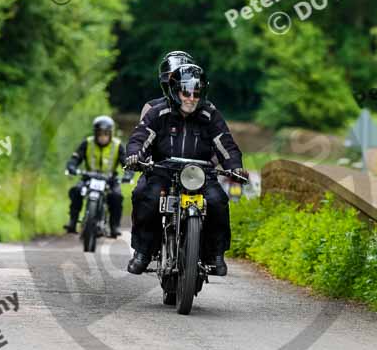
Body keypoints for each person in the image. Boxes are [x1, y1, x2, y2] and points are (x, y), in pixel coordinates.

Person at [125, 64, 249, 276]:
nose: (191, 98)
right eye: (186, 92)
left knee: (218, 201)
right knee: (146, 196)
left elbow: (225, 143)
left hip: (200, 174)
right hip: (163, 171)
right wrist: (135, 156)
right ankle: (143, 252)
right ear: (175, 90)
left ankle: (214, 255)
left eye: (196, 93)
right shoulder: (159, 112)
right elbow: (141, 137)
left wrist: (235, 167)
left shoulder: (210, 115)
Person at [64, 115, 126, 238]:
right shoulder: (87, 143)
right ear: (95, 133)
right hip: (89, 177)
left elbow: (126, 163)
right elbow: (75, 158)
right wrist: (71, 167)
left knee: (116, 196)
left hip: (110, 179)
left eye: (105, 134)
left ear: (110, 134)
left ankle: (114, 226)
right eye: (100, 134)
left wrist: (128, 174)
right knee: (76, 191)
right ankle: (73, 220)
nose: (102, 137)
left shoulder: (118, 145)